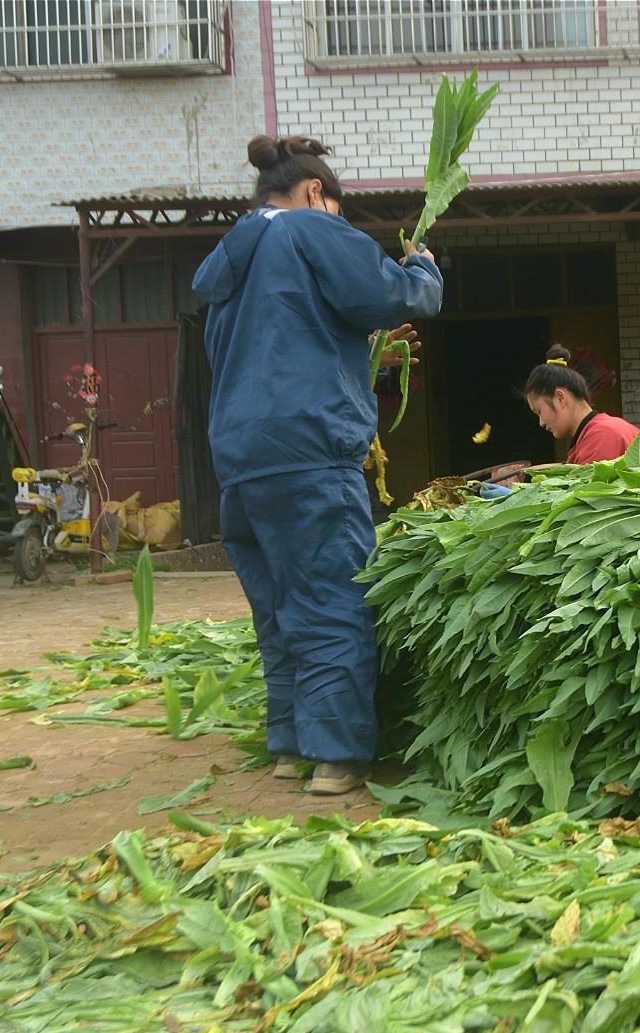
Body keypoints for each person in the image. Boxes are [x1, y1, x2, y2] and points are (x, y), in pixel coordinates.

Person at [193, 135, 443, 795]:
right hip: (309, 450)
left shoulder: (230, 263)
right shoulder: (310, 229)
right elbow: (396, 295)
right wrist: (423, 270)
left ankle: (291, 745)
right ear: (313, 193)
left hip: (243, 461)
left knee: (279, 604)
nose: (338, 219)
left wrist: (365, 359)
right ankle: (336, 756)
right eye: (336, 208)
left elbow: (277, 346)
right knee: (334, 596)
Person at [524, 348, 640, 464]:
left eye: (539, 411)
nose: (541, 423)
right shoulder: (597, 433)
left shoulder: (600, 438)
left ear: (560, 397)